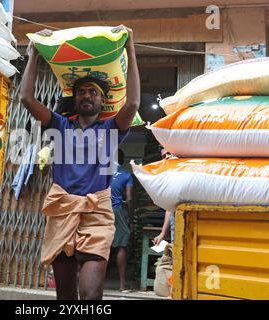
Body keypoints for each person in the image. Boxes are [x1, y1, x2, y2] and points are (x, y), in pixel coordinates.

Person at [20, 25, 140, 300]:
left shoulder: (110, 130)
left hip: (96, 214)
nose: (87, 95)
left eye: (94, 92)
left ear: (103, 100)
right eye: (82, 92)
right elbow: (26, 98)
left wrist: (130, 47)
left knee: (89, 294)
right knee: (65, 297)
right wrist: (33, 54)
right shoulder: (59, 124)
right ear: (75, 99)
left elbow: (132, 104)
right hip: (62, 210)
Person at [110, 149, 135, 292]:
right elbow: (130, 199)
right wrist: (130, 220)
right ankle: (122, 285)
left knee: (100, 245)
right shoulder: (126, 175)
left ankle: (94, 282)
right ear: (122, 160)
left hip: (100, 209)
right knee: (121, 245)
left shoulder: (100, 173)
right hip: (116, 209)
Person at [153, 147, 175, 245]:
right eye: (164, 156)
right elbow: (169, 207)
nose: (166, 157)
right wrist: (163, 233)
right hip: (176, 221)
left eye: (169, 153)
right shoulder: (169, 176)